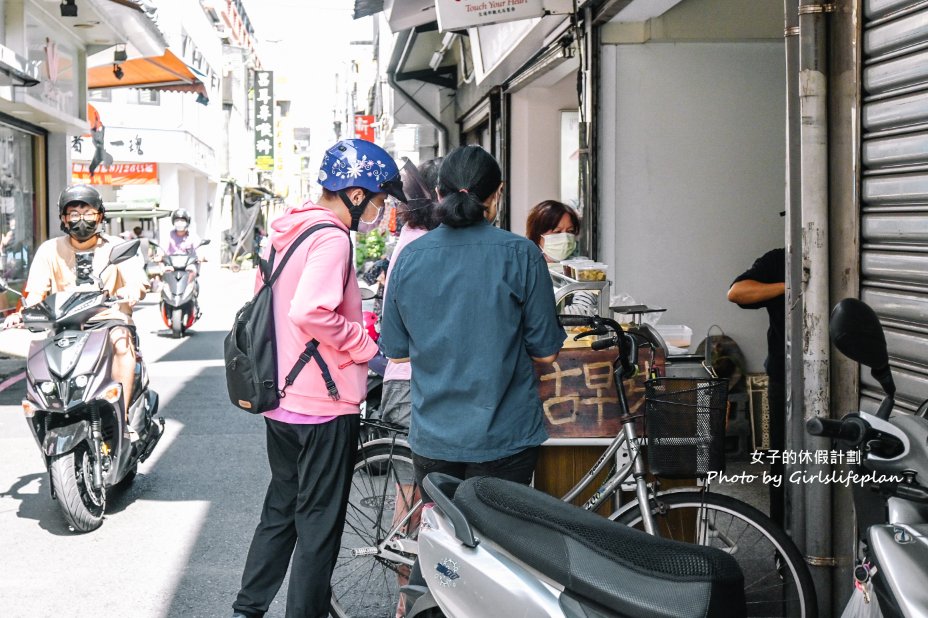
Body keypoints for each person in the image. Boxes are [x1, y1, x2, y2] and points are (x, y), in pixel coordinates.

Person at [232, 138, 407, 618]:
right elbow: (310, 311)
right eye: (379, 200)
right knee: (318, 527)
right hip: (324, 405)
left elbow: (271, 314)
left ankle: (247, 610)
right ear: (356, 194)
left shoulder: (286, 231)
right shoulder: (331, 237)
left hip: (282, 398)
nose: (380, 210)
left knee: (281, 510)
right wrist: (365, 348)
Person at [380, 145, 565, 494]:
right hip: (504, 436)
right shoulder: (522, 254)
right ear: (497, 194)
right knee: (501, 540)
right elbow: (546, 353)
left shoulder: (410, 258)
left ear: (438, 193)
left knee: (447, 540)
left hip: (435, 438)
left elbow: (397, 351)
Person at [2, 185, 147, 431]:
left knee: (122, 345)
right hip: (63, 324)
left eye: (88, 213)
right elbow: (36, 291)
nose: (82, 220)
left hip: (108, 319)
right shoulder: (49, 249)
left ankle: (121, 419)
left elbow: (137, 281)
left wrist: (130, 291)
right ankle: (47, 415)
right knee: (38, 357)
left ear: (100, 216)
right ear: (63, 219)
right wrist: (22, 313)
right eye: (74, 214)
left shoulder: (115, 246)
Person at [727, 247, 786, 527]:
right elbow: (737, 292)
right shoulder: (779, 259)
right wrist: (790, 286)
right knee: (782, 463)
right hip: (785, 378)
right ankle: (783, 542)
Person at [526, 199, 598, 316]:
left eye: (570, 231)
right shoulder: (525, 269)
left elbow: (582, 312)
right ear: (537, 235)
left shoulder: (584, 269)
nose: (564, 237)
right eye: (557, 232)